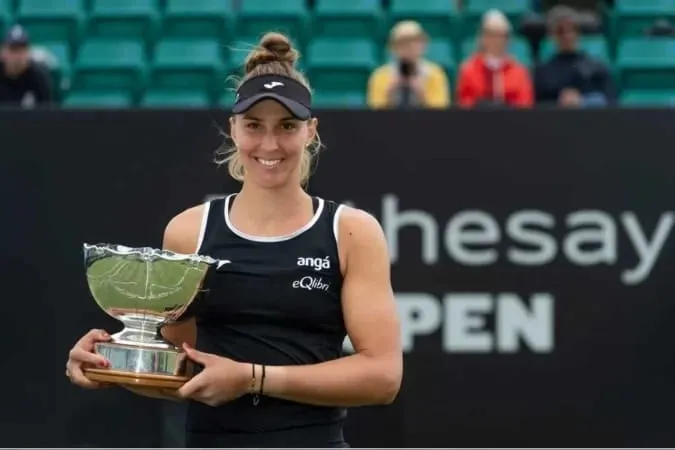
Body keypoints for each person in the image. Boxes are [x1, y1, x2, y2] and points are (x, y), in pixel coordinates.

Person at [65, 32, 403, 448]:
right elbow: (179, 375)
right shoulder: (189, 231)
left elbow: (383, 377)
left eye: (287, 126)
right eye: (254, 126)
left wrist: (251, 379)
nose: (269, 144)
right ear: (233, 128)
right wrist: (109, 363)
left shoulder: (351, 231)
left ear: (311, 131)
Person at [534, 5, 615, 107]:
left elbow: (610, 102)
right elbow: (537, 107)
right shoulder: (543, 73)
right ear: (552, 35)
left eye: (573, 30)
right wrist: (559, 103)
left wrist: (584, 101)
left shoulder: (596, 68)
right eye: (561, 31)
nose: (568, 36)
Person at [456, 9, 534, 108]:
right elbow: (465, 105)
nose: (497, 41)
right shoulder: (469, 70)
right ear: (482, 38)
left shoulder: (519, 72)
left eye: (502, 36)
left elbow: (525, 105)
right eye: (491, 35)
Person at [367, 20, 450, 109]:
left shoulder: (435, 74)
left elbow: (440, 114)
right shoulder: (380, 76)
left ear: (424, 45)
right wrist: (389, 96)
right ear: (393, 48)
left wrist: (422, 95)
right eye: (403, 43)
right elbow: (374, 114)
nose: (410, 47)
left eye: (415, 42)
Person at [0, 25, 53, 107]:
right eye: (13, 50)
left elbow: (47, 113)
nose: (18, 56)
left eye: (22, 50)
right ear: (3, 53)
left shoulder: (38, 77)